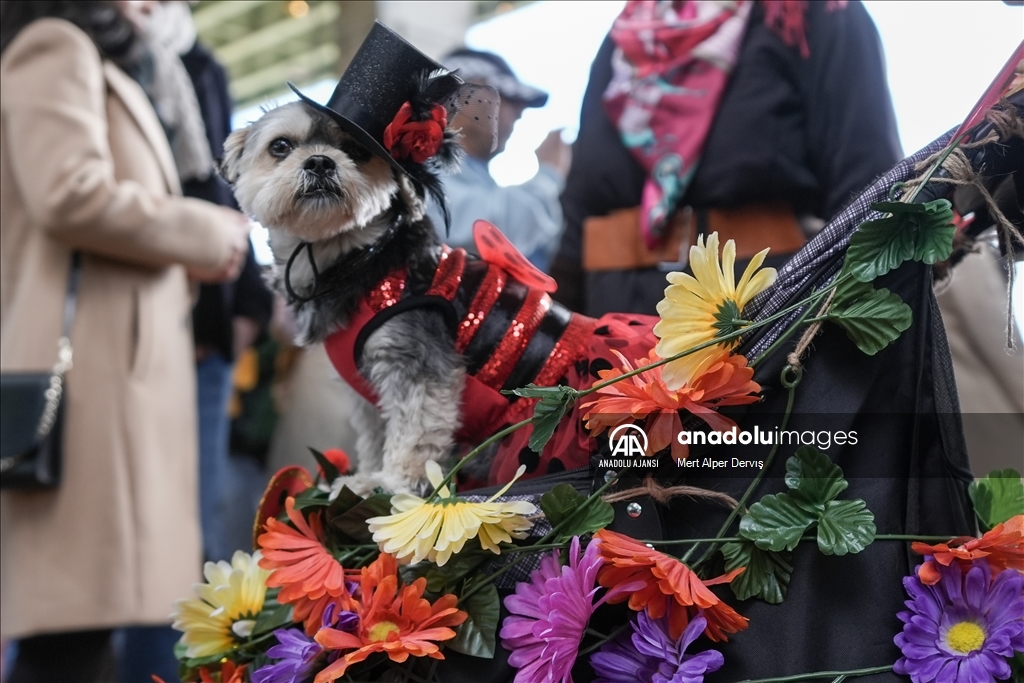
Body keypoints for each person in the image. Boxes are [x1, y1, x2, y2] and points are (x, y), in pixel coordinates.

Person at [0, 1, 251, 680]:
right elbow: (68, 193)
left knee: (81, 636)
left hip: (107, 372)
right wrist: (203, 232)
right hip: (89, 381)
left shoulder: (88, 55)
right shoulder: (53, 45)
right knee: (71, 640)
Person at [551, 0, 904, 317]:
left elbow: (873, 196)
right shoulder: (623, 40)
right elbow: (580, 213)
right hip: (613, 348)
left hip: (764, 339)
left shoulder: (815, 14)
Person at [425, 48, 571, 272]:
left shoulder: (474, 179)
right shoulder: (418, 165)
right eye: (509, 99)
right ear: (467, 95)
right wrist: (549, 176)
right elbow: (487, 233)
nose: (520, 113)